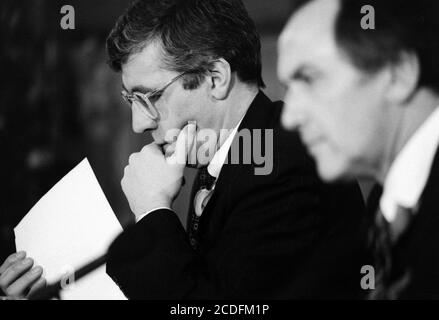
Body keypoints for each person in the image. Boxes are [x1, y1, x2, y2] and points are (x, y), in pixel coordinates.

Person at [1, 0, 368, 299]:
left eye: (151, 97)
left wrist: (153, 212)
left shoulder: (287, 159)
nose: (139, 125)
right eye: (131, 99)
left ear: (215, 78)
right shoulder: (230, 157)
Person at [278, 0, 439, 299]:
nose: (289, 118)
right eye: (288, 86)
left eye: (309, 78)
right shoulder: (386, 211)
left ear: (398, 73)